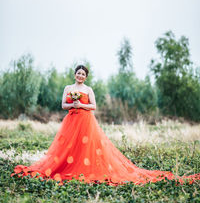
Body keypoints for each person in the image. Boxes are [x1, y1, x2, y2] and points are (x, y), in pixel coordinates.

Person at [11, 65, 200, 186]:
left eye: (83, 74)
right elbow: (63, 105)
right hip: (71, 120)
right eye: (78, 73)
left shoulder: (88, 89)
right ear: (74, 74)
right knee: (68, 146)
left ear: (86, 77)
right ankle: (65, 166)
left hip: (85, 120)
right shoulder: (68, 88)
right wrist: (72, 104)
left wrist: (81, 104)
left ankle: (82, 168)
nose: (80, 76)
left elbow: (93, 106)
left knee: (86, 146)